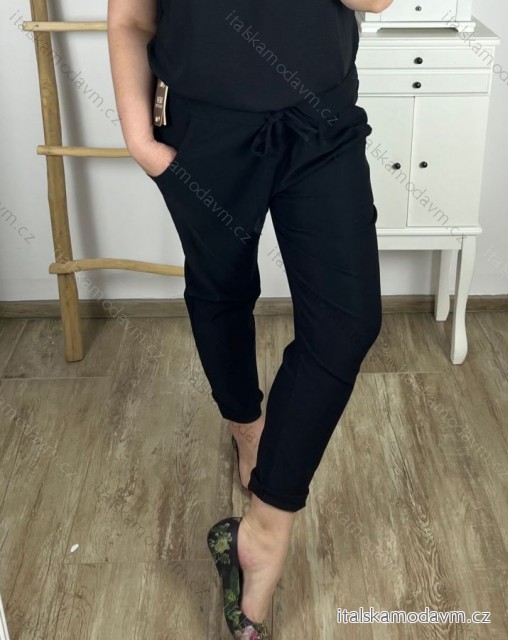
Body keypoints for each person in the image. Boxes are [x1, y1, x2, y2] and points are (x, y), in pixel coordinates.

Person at [107, 0, 392, 636]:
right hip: (206, 130)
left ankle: (263, 530)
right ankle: (245, 423)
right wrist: (140, 141)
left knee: (347, 321)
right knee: (223, 290)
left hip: (320, 120)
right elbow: (131, 19)